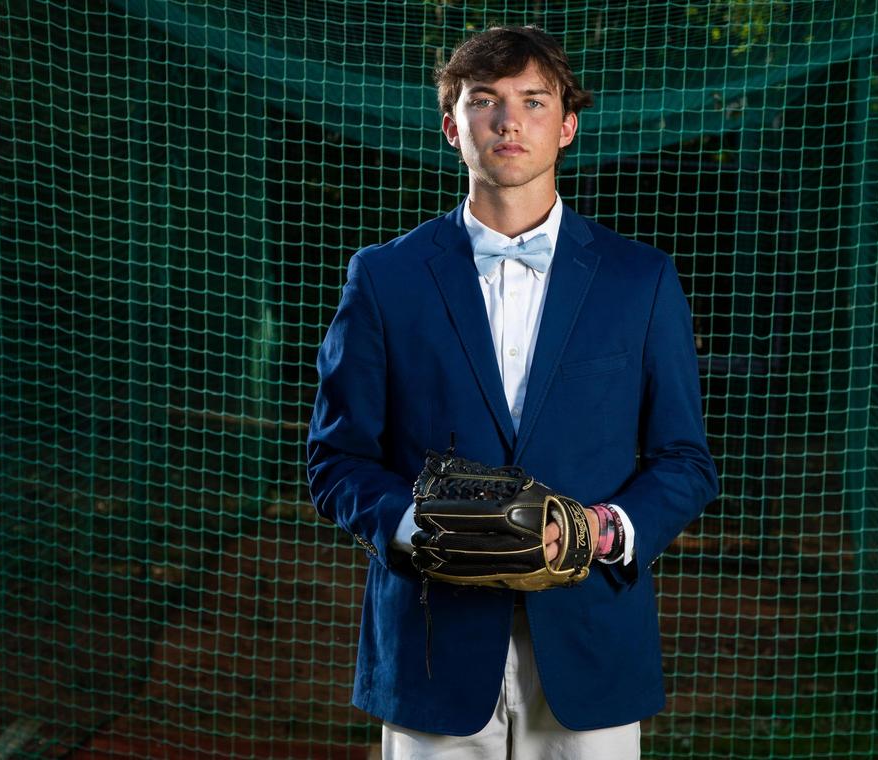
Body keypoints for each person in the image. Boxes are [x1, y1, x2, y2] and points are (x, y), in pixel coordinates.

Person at [307, 25, 719, 759]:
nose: (508, 120)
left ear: (566, 126)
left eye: (533, 101)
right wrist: (419, 530)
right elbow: (337, 461)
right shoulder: (384, 278)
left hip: (589, 635)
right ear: (451, 126)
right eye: (484, 100)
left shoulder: (640, 280)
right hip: (432, 642)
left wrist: (599, 531)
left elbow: (685, 459)